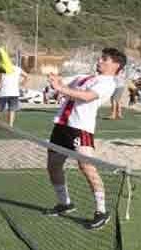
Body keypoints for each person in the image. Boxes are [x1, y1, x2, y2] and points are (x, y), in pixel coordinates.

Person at [44, 47, 127, 230]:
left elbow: (87, 96)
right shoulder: (83, 77)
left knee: (87, 166)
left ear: (116, 65)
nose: (99, 61)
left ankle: (101, 210)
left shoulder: (107, 83)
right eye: (101, 58)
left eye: (104, 59)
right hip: (61, 126)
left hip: (80, 129)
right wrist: (54, 80)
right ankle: (65, 203)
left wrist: (61, 87)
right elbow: (61, 83)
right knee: (53, 166)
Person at [0, 63, 28, 128]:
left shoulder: (2, 67)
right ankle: (10, 127)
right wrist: (21, 85)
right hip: (14, 93)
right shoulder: (17, 68)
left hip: (4, 92)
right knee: (12, 110)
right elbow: (26, 76)